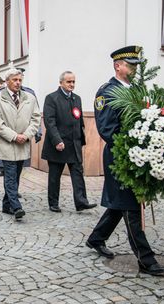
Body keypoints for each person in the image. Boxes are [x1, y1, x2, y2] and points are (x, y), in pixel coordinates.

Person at [86, 46, 164, 276]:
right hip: (120, 157)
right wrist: (131, 148)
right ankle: (146, 260)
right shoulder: (107, 92)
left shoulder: (136, 89)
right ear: (117, 66)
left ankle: (96, 238)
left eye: (136, 65)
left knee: (119, 204)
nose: (134, 69)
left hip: (138, 155)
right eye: (130, 65)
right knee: (131, 206)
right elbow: (106, 129)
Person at [42, 71, 97, 213]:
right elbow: (50, 121)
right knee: (55, 176)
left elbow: (78, 119)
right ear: (61, 83)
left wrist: (81, 139)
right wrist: (57, 140)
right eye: (68, 82)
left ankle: (81, 202)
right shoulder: (51, 98)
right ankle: (53, 203)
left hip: (74, 144)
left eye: (73, 82)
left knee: (78, 173)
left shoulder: (76, 98)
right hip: (58, 145)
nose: (72, 84)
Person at [0, 68, 41, 219]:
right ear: (7, 82)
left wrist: (26, 135)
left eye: (20, 80)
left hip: (23, 143)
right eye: (15, 80)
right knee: (10, 175)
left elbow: (36, 118)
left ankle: (6, 205)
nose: (18, 83)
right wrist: (14, 136)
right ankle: (16, 206)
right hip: (8, 143)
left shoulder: (30, 98)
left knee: (17, 175)